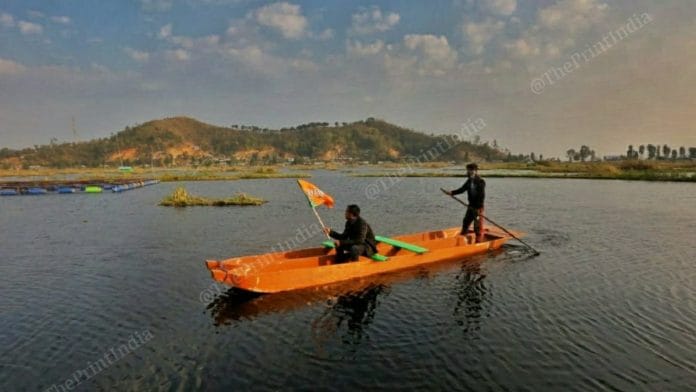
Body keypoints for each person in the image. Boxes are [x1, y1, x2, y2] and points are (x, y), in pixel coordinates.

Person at [445, 163, 486, 242]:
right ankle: (462, 239)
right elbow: (462, 189)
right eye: (468, 170)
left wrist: (477, 208)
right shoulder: (469, 180)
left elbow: (481, 196)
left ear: (476, 171)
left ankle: (478, 242)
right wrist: (452, 192)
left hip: (478, 207)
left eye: (471, 170)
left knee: (477, 226)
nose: (469, 172)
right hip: (470, 206)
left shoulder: (481, 181)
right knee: (466, 222)